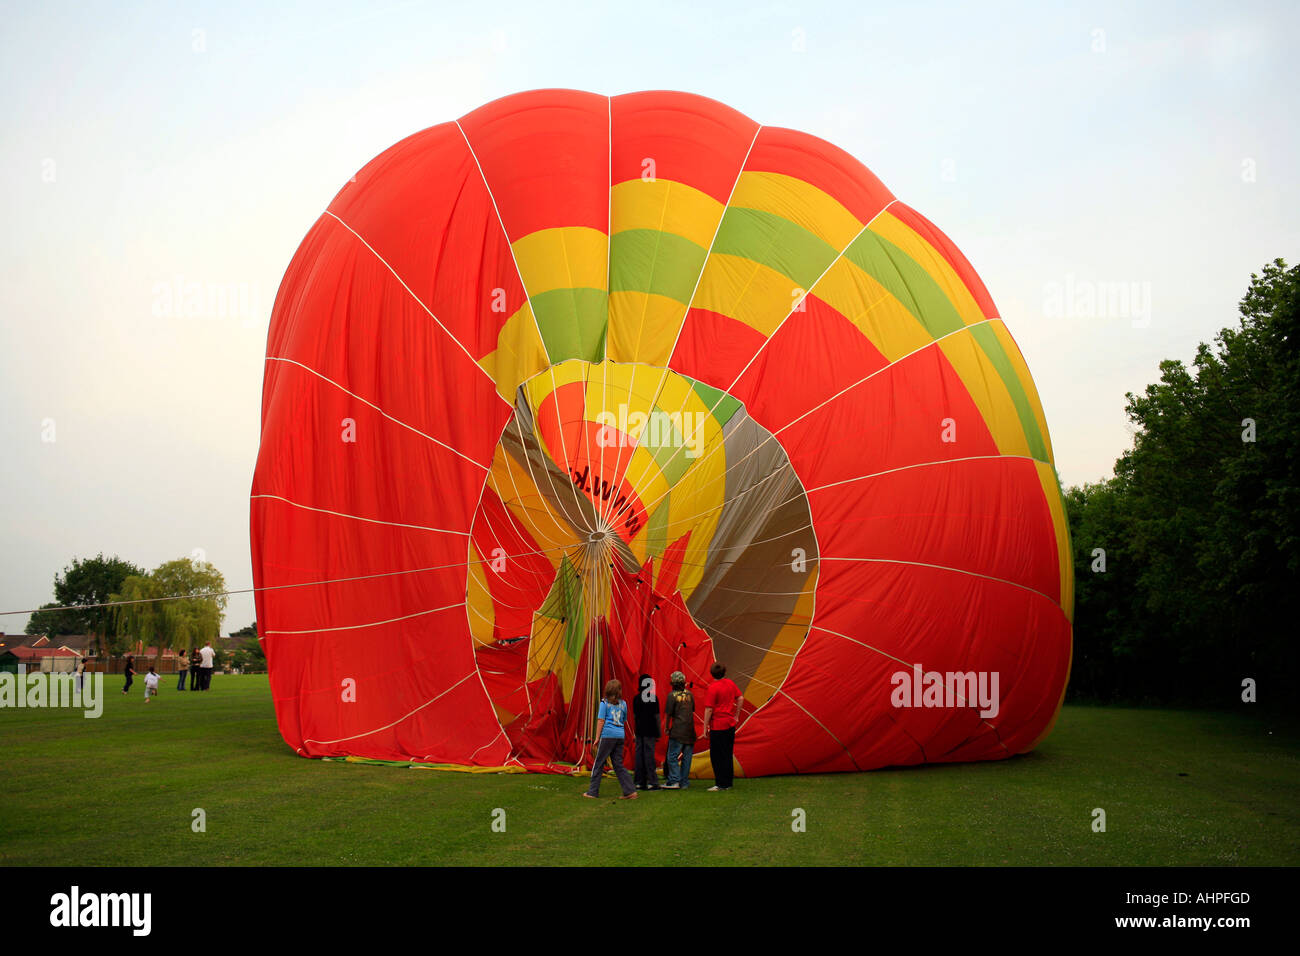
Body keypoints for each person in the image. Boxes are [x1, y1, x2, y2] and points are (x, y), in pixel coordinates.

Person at [583, 679, 636, 799]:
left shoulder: (604, 703)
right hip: (619, 736)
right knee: (618, 764)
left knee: (599, 763)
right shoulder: (623, 704)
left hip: (608, 735)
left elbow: (601, 720)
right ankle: (630, 790)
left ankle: (593, 791)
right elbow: (624, 719)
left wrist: (597, 738)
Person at [703, 662, 742, 791]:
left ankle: (720, 783)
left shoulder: (712, 688)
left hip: (718, 725)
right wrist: (736, 716)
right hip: (729, 724)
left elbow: (709, 709)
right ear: (724, 672)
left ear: (712, 674)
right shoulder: (730, 683)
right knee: (727, 753)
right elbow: (740, 698)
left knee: (716, 756)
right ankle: (728, 782)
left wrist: (705, 729)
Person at [662, 671, 696, 789]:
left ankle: (674, 780)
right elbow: (692, 710)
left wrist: (666, 728)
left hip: (677, 730)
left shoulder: (671, 696)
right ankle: (684, 782)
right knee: (687, 757)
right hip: (690, 731)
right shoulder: (690, 694)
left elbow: (668, 714)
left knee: (672, 756)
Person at [632, 672, 661, 790]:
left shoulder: (636, 699)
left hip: (639, 729)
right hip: (650, 730)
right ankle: (652, 781)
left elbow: (635, 716)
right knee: (649, 755)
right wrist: (658, 732)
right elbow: (657, 717)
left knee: (639, 755)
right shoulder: (653, 699)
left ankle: (639, 781)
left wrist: (635, 731)